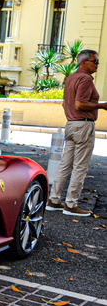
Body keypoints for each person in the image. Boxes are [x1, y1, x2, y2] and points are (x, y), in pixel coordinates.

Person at [46, 49, 107, 216]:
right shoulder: (85, 79)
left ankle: (54, 199)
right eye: (94, 61)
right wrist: (102, 106)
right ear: (83, 63)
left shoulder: (71, 78)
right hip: (84, 124)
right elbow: (80, 104)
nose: (97, 64)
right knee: (80, 166)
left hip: (71, 124)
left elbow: (66, 104)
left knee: (65, 164)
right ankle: (71, 205)